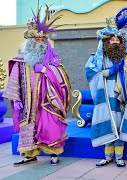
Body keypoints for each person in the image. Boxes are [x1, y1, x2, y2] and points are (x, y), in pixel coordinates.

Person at [2, 5, 71, 166]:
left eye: (42, 40)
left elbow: (63, 78)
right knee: (28, 127)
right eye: (36, 40)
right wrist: (16, 99)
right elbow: (14, 80)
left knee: (51, 126)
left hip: (48, 101)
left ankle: (54, 153)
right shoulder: (21, 60)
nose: (40, 43)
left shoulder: (53, 60)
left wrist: (46, 70)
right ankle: (29, 154)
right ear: (30, 42)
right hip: (28, 102)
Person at [85, 8, 127, 168]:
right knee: (107, 125)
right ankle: (108, 156)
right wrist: (108, 71)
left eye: (118, 39)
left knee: (119, 125)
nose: (115, 41)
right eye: (112, 39)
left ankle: (119, 157)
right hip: (105, 97)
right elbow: (90, 71)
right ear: (106, 42)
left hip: (121, 96)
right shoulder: (97, 59)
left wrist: (124, 72)